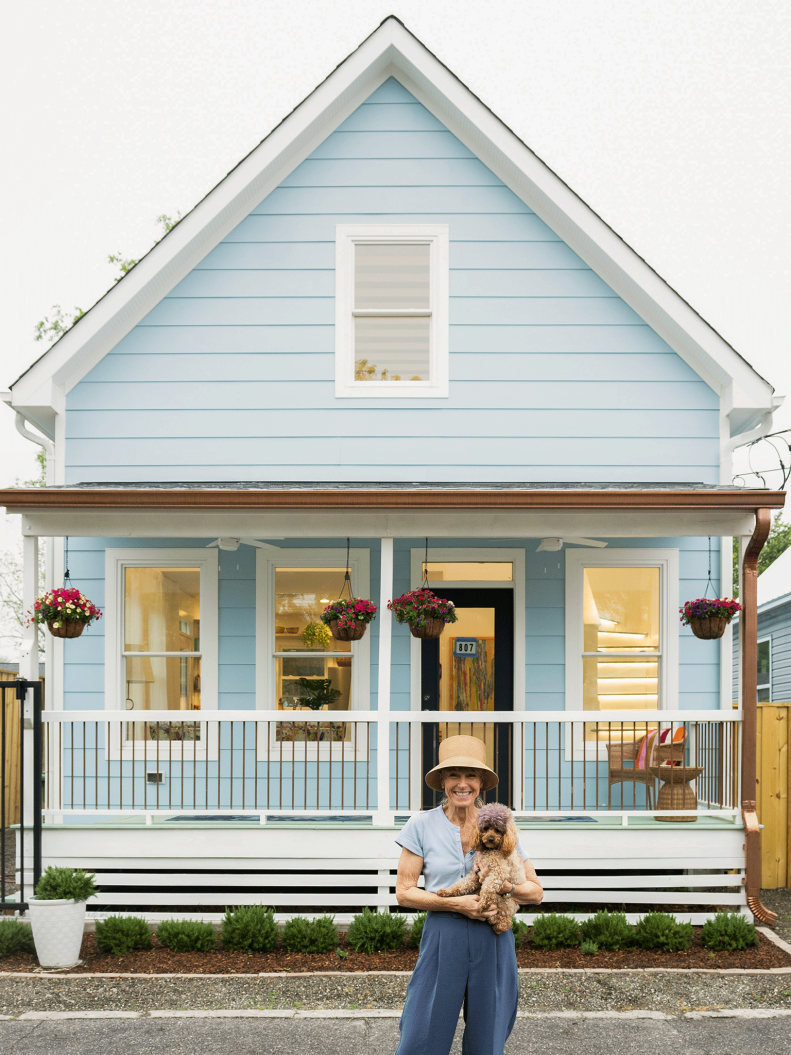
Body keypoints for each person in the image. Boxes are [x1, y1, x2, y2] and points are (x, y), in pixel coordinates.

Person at [394, 735, 543, 1055]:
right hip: (443, 933)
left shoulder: (500, 826)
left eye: (471, 775)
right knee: (422, 1034)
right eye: (454, 775)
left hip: (493, 935)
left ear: (482, 782)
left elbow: (535, 891)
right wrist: (456, 904)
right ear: (443, 782)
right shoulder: (420, 825)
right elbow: (404, 893)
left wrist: (507, 888)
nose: (462, 784)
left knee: (487, 1037)